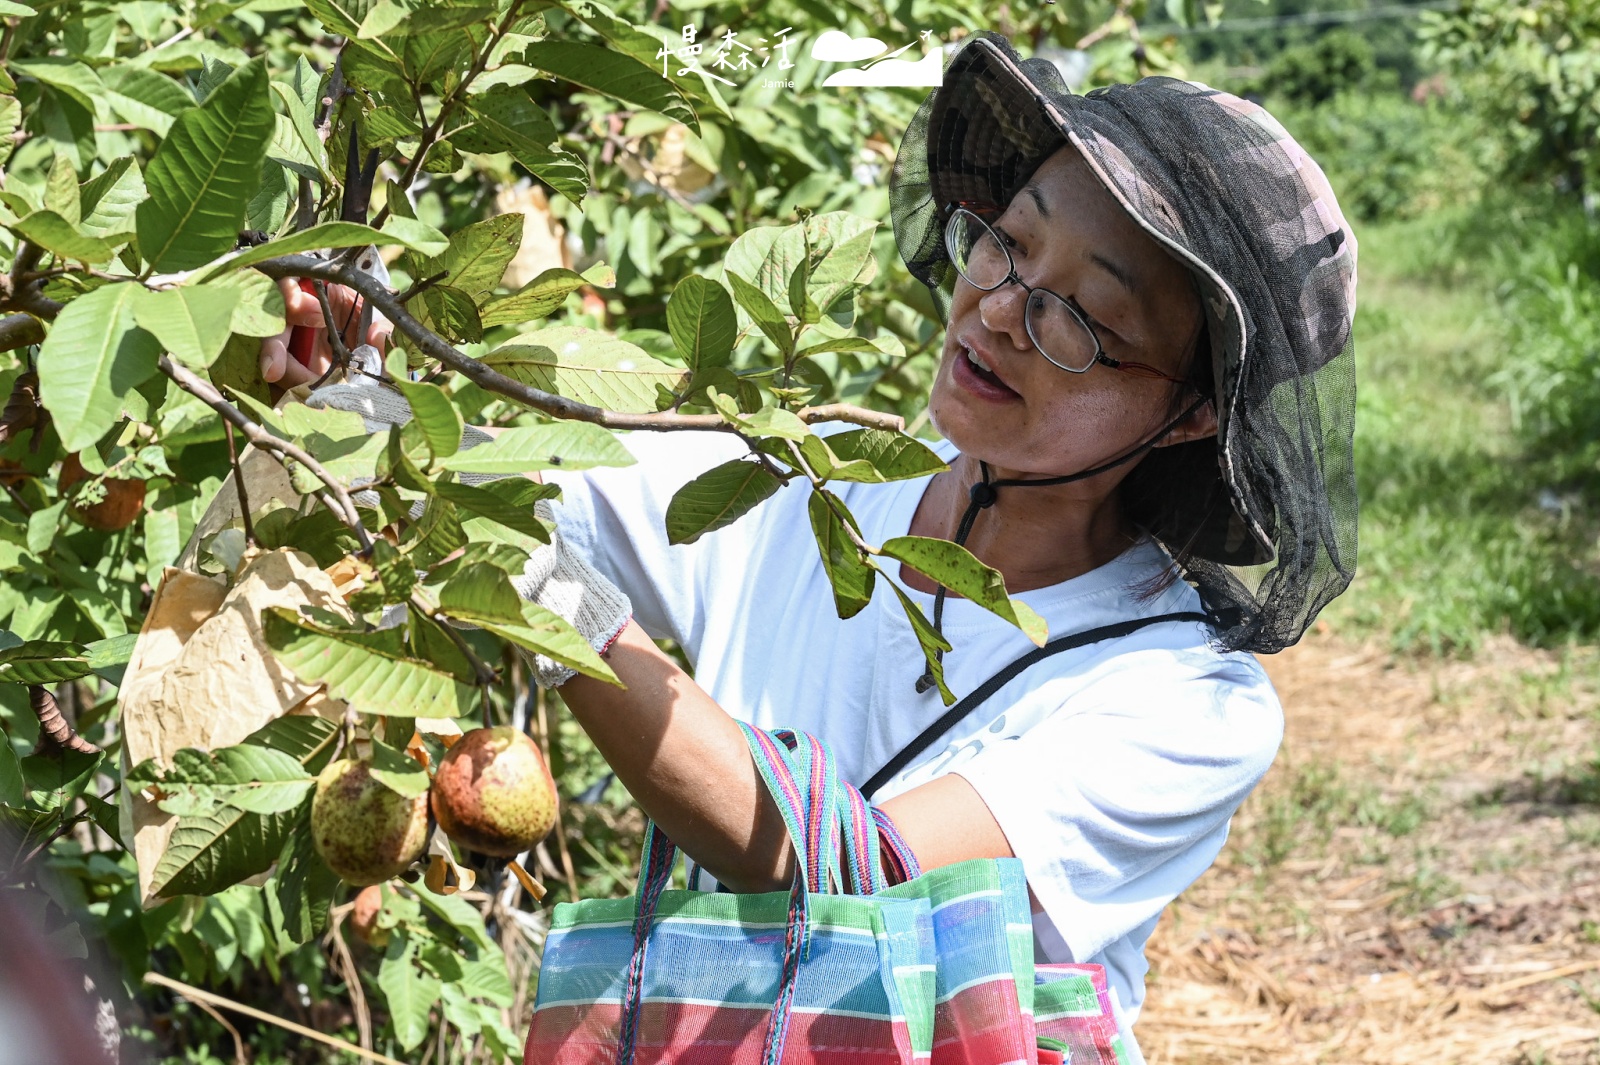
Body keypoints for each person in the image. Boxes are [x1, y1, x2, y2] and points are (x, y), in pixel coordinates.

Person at [265, 31, 1358, 1060]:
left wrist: (539, 591)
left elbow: (832, 873)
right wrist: (351, 371)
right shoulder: (820, 478)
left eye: (1080, 318)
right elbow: (504, 477)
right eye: (1007, 244)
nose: (995, 313)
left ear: (1192, 413)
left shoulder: (1187, 704)